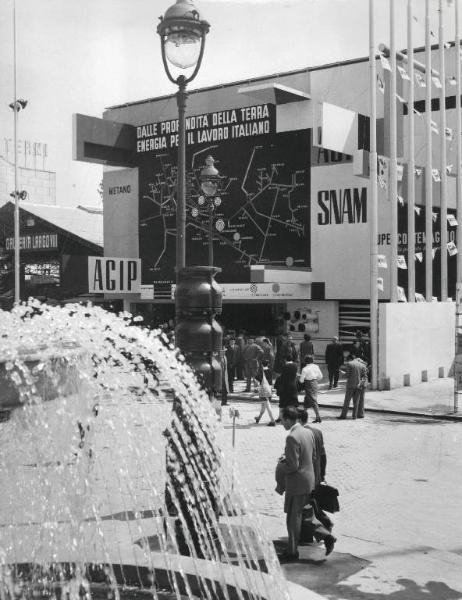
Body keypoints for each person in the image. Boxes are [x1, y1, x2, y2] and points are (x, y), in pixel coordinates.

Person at [276, 406, 336, 560]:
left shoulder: (292, 437)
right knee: (306, 515)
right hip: (309, 481)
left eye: (282, 420)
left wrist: (282, 464)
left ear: (289, 419)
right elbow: (314, 455)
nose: (281, 423)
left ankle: (292, 551)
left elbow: (292, 466)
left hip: (297, 483)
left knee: (293, 518)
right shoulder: (308, 432)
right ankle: (327, 536)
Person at [337, 349, 368, 419]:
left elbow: (348, 375)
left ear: (349, 359)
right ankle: (355, 416)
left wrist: (343, 374)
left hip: (351, 385)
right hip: (359, 385)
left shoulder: (349, 364)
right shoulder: (362, 365)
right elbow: (365, 376)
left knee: (347, 401)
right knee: (357, 401)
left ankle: (343, 415)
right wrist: (360, 383)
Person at [299, 355, 323, 423]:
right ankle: (303, 417)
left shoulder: (305, 369)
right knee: (307, 401)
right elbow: (320, 376)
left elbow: (301, 381)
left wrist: (301, 377)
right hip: (315, 383)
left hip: (308, 384)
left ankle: (318, 417)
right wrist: (314, 379)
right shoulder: (316, 366)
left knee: (313, 401)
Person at [254, 359, 276, 426]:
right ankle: (258, 418)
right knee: (264, 405)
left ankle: (272, 420)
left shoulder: (261, 372)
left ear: (262, 365)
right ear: (268, 364)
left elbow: (256, 379)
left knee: (267, 405)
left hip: (263, 390)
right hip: (269, 389)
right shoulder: (270, 371)